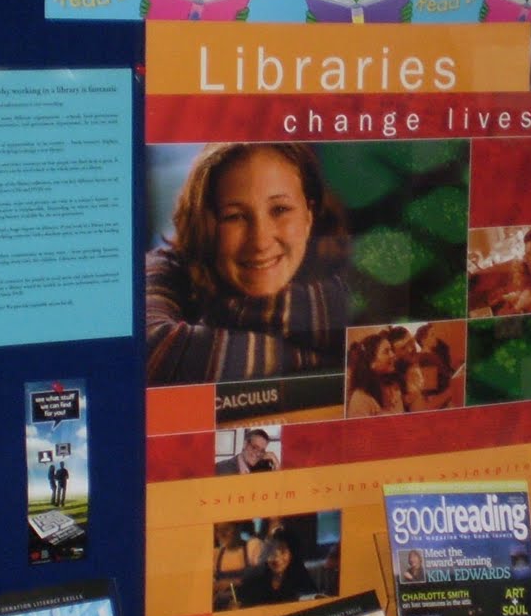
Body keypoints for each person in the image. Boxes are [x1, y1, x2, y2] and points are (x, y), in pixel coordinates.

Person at [146, 142, 351, 385]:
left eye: (280, 209)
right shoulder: (165, 268)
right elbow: (156, 350)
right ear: (206, 224)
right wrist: (338, 362)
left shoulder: (352, 277)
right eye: (235, 216)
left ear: (308, 215)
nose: (260, 242)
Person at [236, 530, 319, 605]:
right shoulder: (256, 578)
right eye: (271, 552)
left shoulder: (302, 578)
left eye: (283, 552)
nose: (276, 558)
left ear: (292, 554)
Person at [346, 331, 404, 417]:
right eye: (386, 352)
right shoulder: (361, 398)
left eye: (391, 350)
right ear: (371, 362)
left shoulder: (393, 387)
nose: (393, 355)